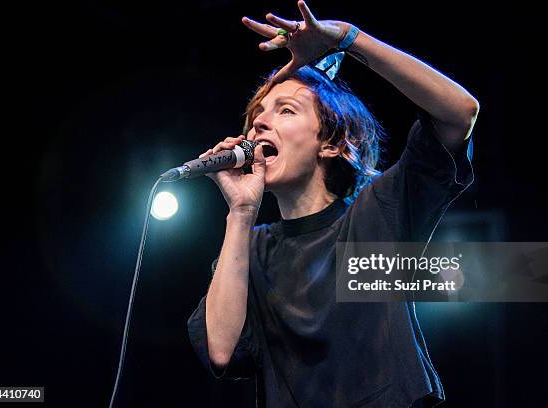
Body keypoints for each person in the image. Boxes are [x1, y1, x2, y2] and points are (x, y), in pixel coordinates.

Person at [187, 1, 478, 406]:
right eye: (257, 114)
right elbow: (221, 350)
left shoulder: (377, 214)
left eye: (286, 110)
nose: (259, 122)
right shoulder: (252, 248)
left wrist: (349, 38)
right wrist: (239, 213)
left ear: (333, 143)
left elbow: (459, 112)